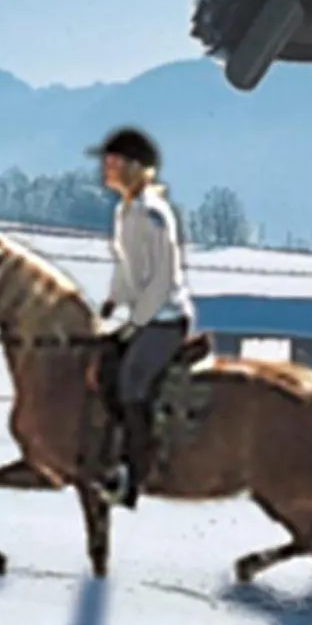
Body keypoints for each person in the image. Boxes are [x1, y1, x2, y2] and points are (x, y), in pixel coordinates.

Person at [88, 126, 194, 509]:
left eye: (113, 161)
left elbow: (161, 277)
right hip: (144, 315)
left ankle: (136, 473)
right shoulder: (125, 211)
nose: (106, 168)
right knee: (105, 369)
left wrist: (136, 323)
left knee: (133, 381)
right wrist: (113, 301)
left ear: (135, 167)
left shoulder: (152, 215)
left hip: (164, 317)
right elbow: (127, 266)